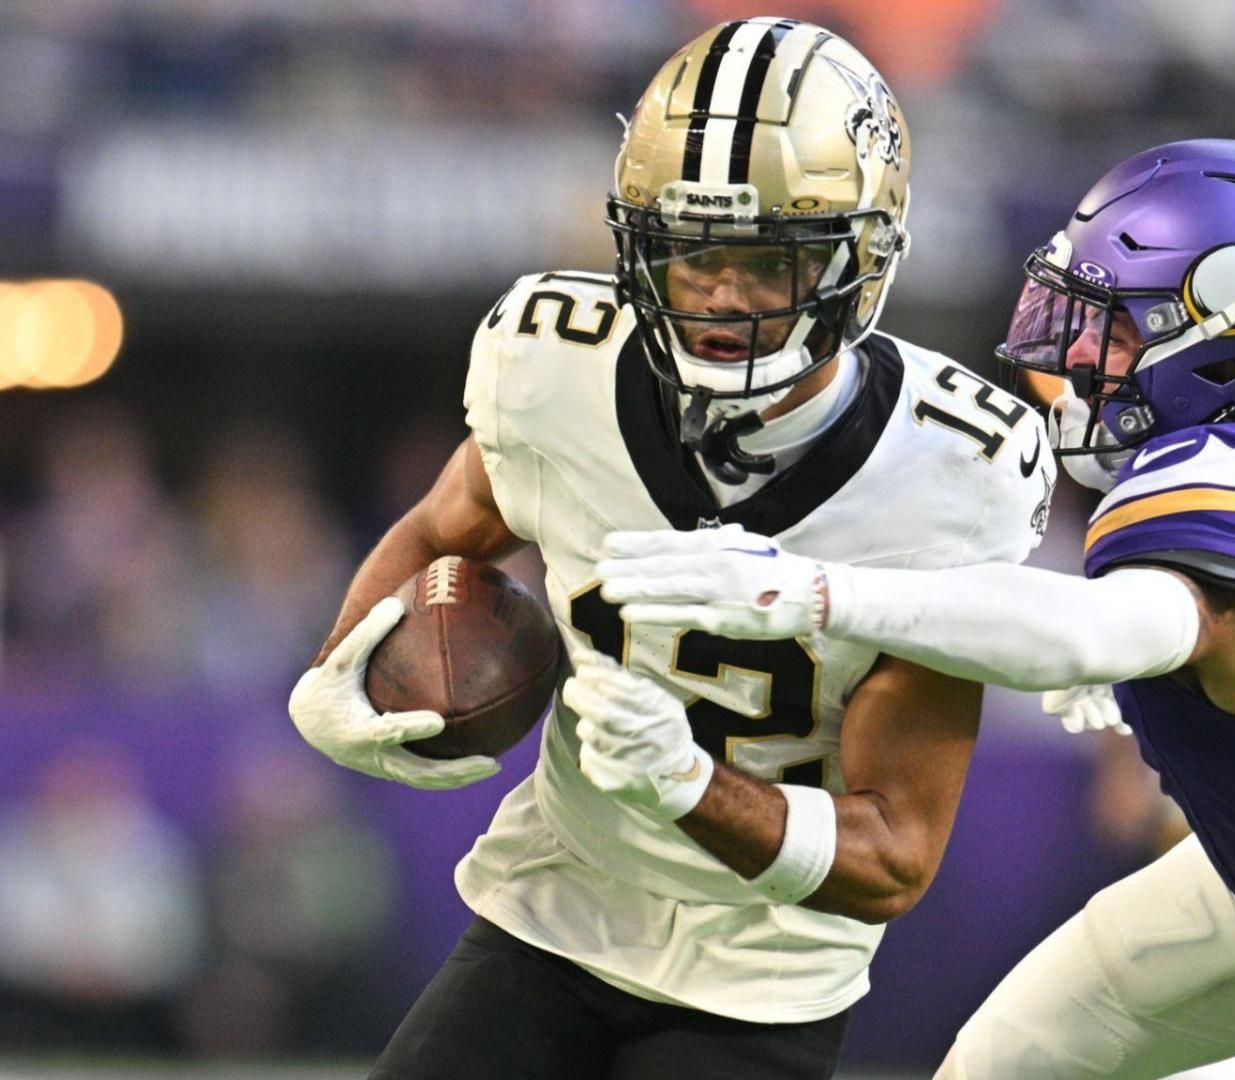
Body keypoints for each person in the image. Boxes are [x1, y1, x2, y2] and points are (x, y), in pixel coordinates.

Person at [597, 140, 1235, 1079]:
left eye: (1114, 328)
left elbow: (1092, 634)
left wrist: (816, 592)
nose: (1069, 358)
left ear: (1233, 343)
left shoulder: (1234, 498)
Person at [285, 19, 1053, 1078]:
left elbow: (893, 856)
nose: (725, 297)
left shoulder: (947, 476)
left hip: (765, 970)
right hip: (556, 900)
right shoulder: (550, 368)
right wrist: (347, 662)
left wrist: (686, 784)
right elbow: (442, 528)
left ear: (860, 258)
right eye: (694, 255)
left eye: (768, 261)